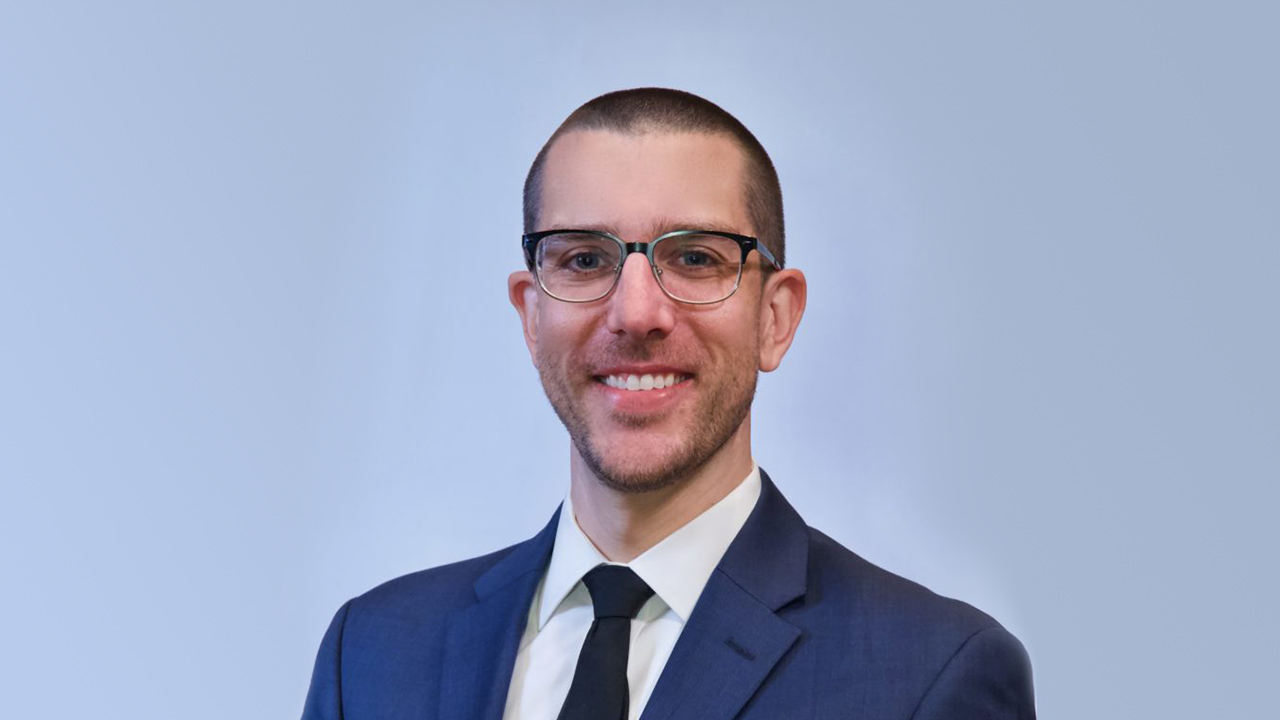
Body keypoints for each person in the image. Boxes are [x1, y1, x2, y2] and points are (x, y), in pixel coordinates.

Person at [301, 87, 1035, 720]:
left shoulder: (929, 676)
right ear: (531, 315)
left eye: (695, 258)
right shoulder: (372, 653)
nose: (637, 312)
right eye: (584, 259)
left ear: (775, 318)